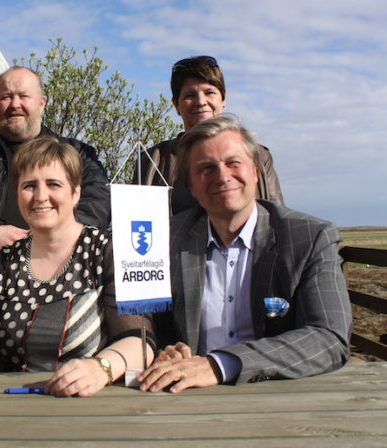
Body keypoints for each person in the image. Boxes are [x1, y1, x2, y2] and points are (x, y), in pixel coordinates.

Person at [138, 116, 351, 393]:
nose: (222, 176)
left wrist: (220, 364)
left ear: (255, 172)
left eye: (233, 163)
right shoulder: (164, 238)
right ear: (190, 187)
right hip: (186, 395)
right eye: (206, 168)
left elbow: (329, 337)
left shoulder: (310, 238)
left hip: (278, 394)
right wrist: (164, 349)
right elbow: (148, 321)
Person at [0, 137, 153, 397]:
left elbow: (141, 342)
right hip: (20, 403)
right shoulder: (6, 261)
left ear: (76, 192)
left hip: (92, 404)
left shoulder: (108, 251)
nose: (40, 196)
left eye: (54, 184)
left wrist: (101, 368)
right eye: (29, 186)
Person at [0, 66, 110, 314]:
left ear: (42, 102)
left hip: (60, 291)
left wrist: (53, 239)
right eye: (6, 97)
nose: (15, 104)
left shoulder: (79, 154)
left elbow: (99, 201)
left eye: (24, 96)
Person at [133, 56, 283, 214]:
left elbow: (278, 219)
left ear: (223, 99)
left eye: (209, 92)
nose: (201, 101)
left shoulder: (258, 156)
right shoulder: (151, 161)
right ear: (176, 104)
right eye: (190, 95)